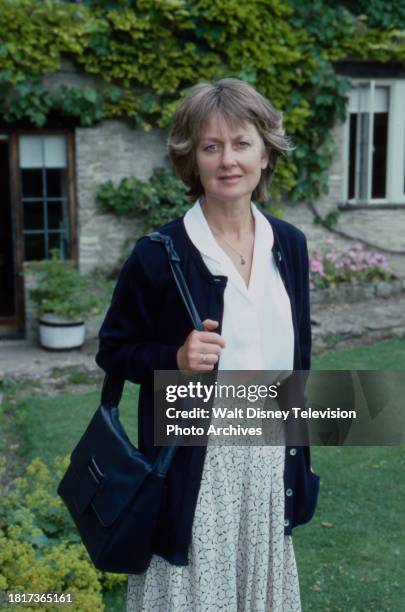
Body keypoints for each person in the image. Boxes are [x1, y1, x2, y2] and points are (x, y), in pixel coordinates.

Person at [95, 78, 320, 612]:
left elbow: (298, 363)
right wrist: (173, 359)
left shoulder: (288, 244)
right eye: (210, 146)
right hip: (195, 466)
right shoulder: (159, 254)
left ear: (265, 154)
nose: (228, 160)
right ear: (191, 159)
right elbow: (114, 349)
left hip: (269, 456)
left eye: (241, 143)